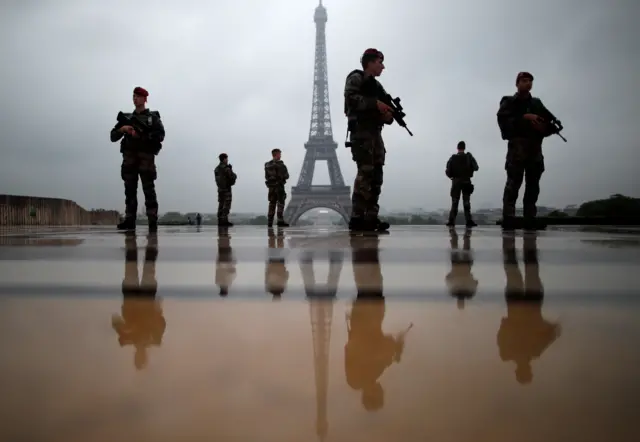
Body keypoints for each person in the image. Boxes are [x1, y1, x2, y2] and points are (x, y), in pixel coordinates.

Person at [497, 72, 559, 230]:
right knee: (513, 184)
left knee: (533, 185)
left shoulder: (537, 103)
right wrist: (525, 117)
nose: (528, 83)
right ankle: (509, 216)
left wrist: (543, 127)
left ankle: (530, 216)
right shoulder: (509, 102)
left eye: (530, 81)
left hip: (535, 149)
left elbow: (553, 124)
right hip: (517, 150)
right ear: (517, 83)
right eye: (524, 81)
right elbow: (504, 123)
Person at [343, 48, 394, 232]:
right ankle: (357, 217)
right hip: (362, 133)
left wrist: (388, 116)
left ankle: (371, 217)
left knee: (377, 176)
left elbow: (381, 111)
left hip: (375, 134)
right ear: (370, 62)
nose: (383, 66)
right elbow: (351, 100)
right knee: (365, 174)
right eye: (380, 62)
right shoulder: (356, 78)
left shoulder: (377, 87)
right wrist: (376, 104)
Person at [110, 86, 165, 233]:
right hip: (129, 161)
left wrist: (141, 135)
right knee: (129, 192)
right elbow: (112, 137)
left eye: (138, 96)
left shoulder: (152, 119)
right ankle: (129, 220)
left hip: (146, 161)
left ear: (144, 99)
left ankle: (152, 221)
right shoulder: (127, 118)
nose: (135, 99)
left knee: (149, 192)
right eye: (133, 96)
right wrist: (122, 130)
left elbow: (160, 136)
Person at [445, 141, 478, 227]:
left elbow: (448, 170)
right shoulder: (468, 157)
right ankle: (468, 221)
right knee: (466, 202)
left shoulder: (453, 158)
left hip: (456, 182)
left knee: (455, 202)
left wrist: (452, 177)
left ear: (457, 148)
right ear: (464, 148)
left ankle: (451, 221)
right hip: (466, 181)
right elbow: (476, 167)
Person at [264, 149, 290, 227]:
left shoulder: (267, 165)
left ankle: (270, 221)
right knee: (280, 203)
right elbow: (287, 176)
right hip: (279, 186)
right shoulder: (281, 165)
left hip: (271, 187)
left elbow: (266, 177)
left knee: (272, 203)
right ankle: (280, 220)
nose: (280, 156)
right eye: (280, 154)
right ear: (277, 154)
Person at [214, 153, 237, 226]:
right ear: (224, 159)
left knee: (221, 205)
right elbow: (233, 177)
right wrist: (231, 169)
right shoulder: (226, 168)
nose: (227, 160)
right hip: (227, 189)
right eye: (226, 158)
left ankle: (220, 221)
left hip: (220, 189)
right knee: (226, 206)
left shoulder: (216, 169)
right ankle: (224, 221)